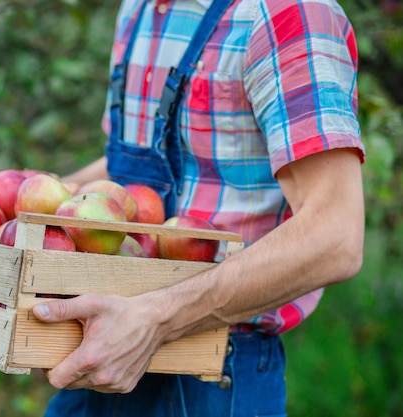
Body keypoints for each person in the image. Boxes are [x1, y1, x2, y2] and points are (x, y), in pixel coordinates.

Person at [33, 0, 366, 415]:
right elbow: (133, 173)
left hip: (212, 373)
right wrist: (38, 194)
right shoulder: (139, 10)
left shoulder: (287, 12)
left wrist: (154, 320)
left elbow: (334, 238)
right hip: (102, 351)